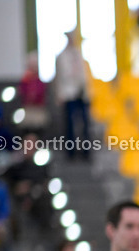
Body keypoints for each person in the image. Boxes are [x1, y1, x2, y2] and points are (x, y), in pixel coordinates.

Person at [54, 30, 90, 161]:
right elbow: (58, 78)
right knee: (69, 123)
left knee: (85, 123)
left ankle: (86, 151)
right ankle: (71, 151)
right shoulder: (61, 57)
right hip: (68, 94)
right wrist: (59, 95)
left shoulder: (79, 55)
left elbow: (84, 75)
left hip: (81, 93)